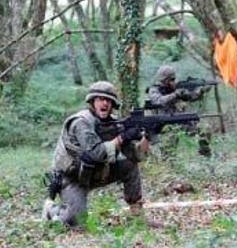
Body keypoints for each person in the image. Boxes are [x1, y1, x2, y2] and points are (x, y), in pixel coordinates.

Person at [43, 81, 155, 228]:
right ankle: (51, 209)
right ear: (92, 101)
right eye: (100, 99)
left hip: (97, 172)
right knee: (76, 222)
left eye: (108, 100)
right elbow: (96, 153)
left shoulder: (114, 124)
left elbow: (137, 156)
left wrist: (148, 135)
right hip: (73, 177)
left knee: (129, 164)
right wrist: (123, 138)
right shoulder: (81, 122)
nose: (105, 103)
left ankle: (137, 215)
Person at [147, 64, 212, 157]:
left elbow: (191, 97)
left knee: (204, 128)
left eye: (174, 79)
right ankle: (168, 164)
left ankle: (205, 154)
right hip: (164, 125)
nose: (174, 82)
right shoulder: (154, 90)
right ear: (165, 80)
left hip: (181, 121)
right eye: (172, 80)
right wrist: (175, 94)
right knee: (169, 145)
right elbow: (159, 101)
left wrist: (201, 91)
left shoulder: (175, 88)